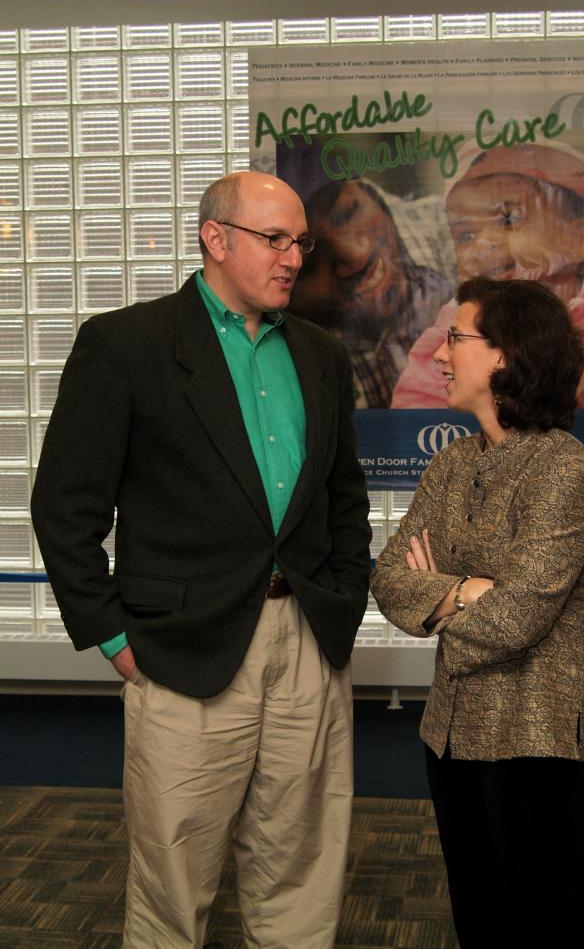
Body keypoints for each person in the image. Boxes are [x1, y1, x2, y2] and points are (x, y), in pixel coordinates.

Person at [31, 171, 372, 949]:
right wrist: (116, 640)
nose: (293, 257)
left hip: (309, 646)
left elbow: (343, 499)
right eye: (273, 239)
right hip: (179, 652)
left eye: (301, 241)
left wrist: (344, 596)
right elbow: (64, 508)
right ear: (214, 240)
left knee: (301, 876)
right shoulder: (125, 345)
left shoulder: (321, 354)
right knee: (172, 890)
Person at [371, 277, 584, 949]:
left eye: (457, 337)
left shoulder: (565, 468)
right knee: (480, 922)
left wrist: (446, 593)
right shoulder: (451, 462)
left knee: (543, 927)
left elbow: (519, 618)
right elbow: (390, 579)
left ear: (505, 354)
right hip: (451, 731)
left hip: (540, 734)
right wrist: (468, 590)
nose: (441, 354)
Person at [391, 138, 584, 409]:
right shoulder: (459, 322)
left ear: (578, 235)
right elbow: (418, 401)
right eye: (466, 235)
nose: (484, 244)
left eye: (509, 220)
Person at [289, 178, 455, 407]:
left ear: (379, 201)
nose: (356, 255)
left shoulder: (445, 226)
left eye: (348, 214)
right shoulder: (310, 364)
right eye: (311, 260)